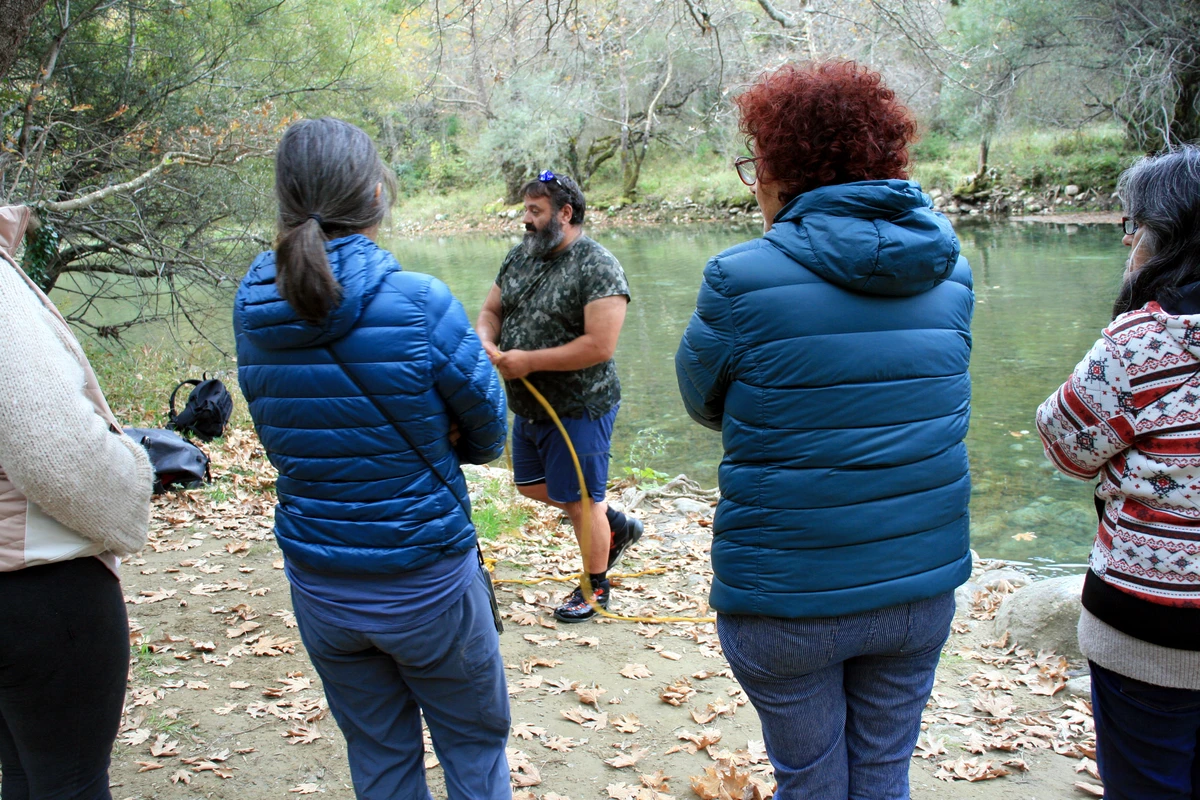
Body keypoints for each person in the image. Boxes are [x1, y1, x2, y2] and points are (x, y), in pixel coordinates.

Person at [675, 62, 973, 799]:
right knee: (881, 779)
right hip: (917, 589)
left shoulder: (739, 277)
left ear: (776, 170)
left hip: (787, 596)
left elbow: (702, 401)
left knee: (809, 781)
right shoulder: (952, 271)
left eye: (755, 167)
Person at [234, 117, 510, 800]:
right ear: (376, 194)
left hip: (320, 584)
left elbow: (285, 435)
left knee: (380, 757)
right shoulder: (419, 302)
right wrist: (442, 434)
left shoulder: (250, 309)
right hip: (429, 583)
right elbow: (489, 434)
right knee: (474, 749)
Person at [1036, 145, 1200, 799]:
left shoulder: (1140, 346)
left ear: (1168, 234)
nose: (1129, 237)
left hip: (1149, 629)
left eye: (1134, 224)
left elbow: (1065, 444)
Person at [0, 204, 153, 799]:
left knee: (27, 773)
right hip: (43, 588)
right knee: (70, 782)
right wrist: (133, 486)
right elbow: (55, 452)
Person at [475, 170, 642, 623]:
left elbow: (599, 345)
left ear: (565, 214)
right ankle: (613, 525)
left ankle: (595, 587)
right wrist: (486, 341)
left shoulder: (598, 265)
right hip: (529, 406)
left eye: (535, 211)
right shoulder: (519, 258)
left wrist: (528, 361)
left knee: (580, 501)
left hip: (579, 406)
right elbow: (491, 311)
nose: (525, 220)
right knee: (531, 486)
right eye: (525, 210)